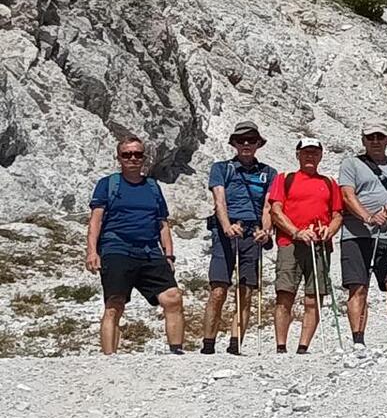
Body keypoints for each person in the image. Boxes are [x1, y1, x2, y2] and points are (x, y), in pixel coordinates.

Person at [86, 135, 185, 355]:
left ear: (144, 158)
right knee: (115, 303)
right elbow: (96, 221)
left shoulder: (152, 187)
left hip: (150, 251)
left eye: (138, 154)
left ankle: (176, 353)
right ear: (119, 158)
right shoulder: (108, 184)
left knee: (173, 297)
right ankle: (109, 359)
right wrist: (92, 252)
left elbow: (162, 224)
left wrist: (169, 255)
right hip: (117, 249)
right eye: (127, 154)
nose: (133, 158)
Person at [338, 122, 387, 348]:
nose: (375, 141)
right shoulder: (351, 164)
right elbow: (347, 195)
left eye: (379, 137)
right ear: (363, 140)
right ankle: (358, 340)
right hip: (356, 234)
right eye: (370, 137)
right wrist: (368, 217)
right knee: (358, 287)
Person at [201, 120, 275, 355]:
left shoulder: (268, 173)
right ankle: (208, 344)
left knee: (246, 290)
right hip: (226, 232)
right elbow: (219, 200)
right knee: (218, 289)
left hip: (252, 234)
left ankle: (235, 343)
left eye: (251, 140)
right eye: (241, 140)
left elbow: (268, 207)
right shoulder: (221, 168)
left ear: (258, 144)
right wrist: (226, 226)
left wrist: (266, 231)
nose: (246, 144)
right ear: (234, 143)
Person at [267, 137, 343, 353]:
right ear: (298, 155)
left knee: (314, 296)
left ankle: (303, 347)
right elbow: (276, 211)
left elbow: (337, 215)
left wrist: (329, 230)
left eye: (314, 152)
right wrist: (296, 232)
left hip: (319, 244)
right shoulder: (285, 178)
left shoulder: (329, 183)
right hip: (290, 243)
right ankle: (281, 346)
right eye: (306, 152)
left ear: (321, 156)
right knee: (285, 294)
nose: (310, 156)